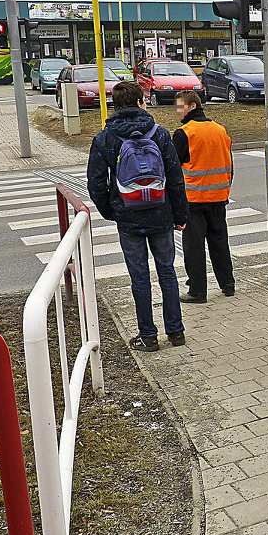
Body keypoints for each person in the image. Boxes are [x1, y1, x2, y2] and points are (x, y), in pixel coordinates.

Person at [87, 81, 189, 352]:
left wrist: (112, 211)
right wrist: (180, 214)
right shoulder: (161, 134)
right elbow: (176, 179)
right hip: (161, 214)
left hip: (128, 217)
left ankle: (148, 336)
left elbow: (96, 184)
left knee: (139, 277)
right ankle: (176, 332)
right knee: (167, 272)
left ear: (115, 104)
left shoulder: (104, 138)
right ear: (141, 102)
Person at [172, 89, 235, 304]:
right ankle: (228, 285)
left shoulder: (184, 133)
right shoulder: (220, 130)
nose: (178, 111)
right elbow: (229, 164)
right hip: (219, 196)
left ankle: (198, 291)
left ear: (192, 106)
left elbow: (173, 170)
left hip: (194, 200)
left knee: (194, 246)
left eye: (181, 106)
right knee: (219, 242)